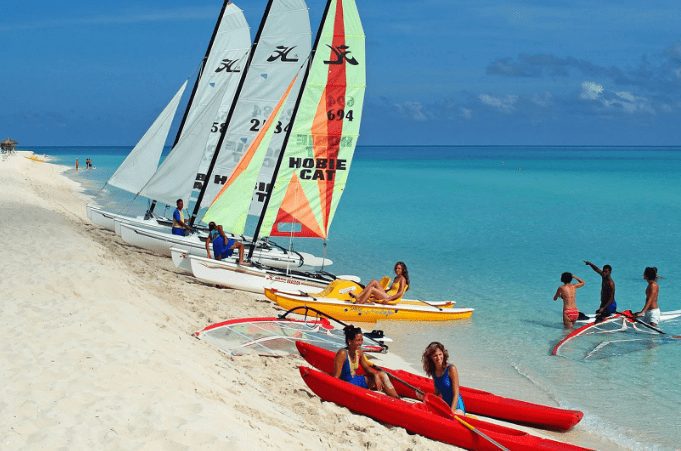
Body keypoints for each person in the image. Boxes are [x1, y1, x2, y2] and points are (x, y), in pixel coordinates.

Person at [333, 325, 399, 398]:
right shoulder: (342, 353)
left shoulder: (359, 352)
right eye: (358, 340)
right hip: (347, 384)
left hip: (357, 380)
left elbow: (367, 368)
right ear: (349, 341)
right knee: (380, 376)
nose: (361, 343)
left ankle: (396, 398)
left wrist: (375, 375)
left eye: (361, 340)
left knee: (382, 374)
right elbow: (336, 376)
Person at [421, 342, 465, 415]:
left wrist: (451, 412)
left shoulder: (451, 369)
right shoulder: (433, 371)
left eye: (440, 354)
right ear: (430, 358)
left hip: (457, 406)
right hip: (445, 406)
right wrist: (423, 396)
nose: (438, 358)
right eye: (435, 355)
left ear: (443, 354)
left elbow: (456, 393)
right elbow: (437, 393)